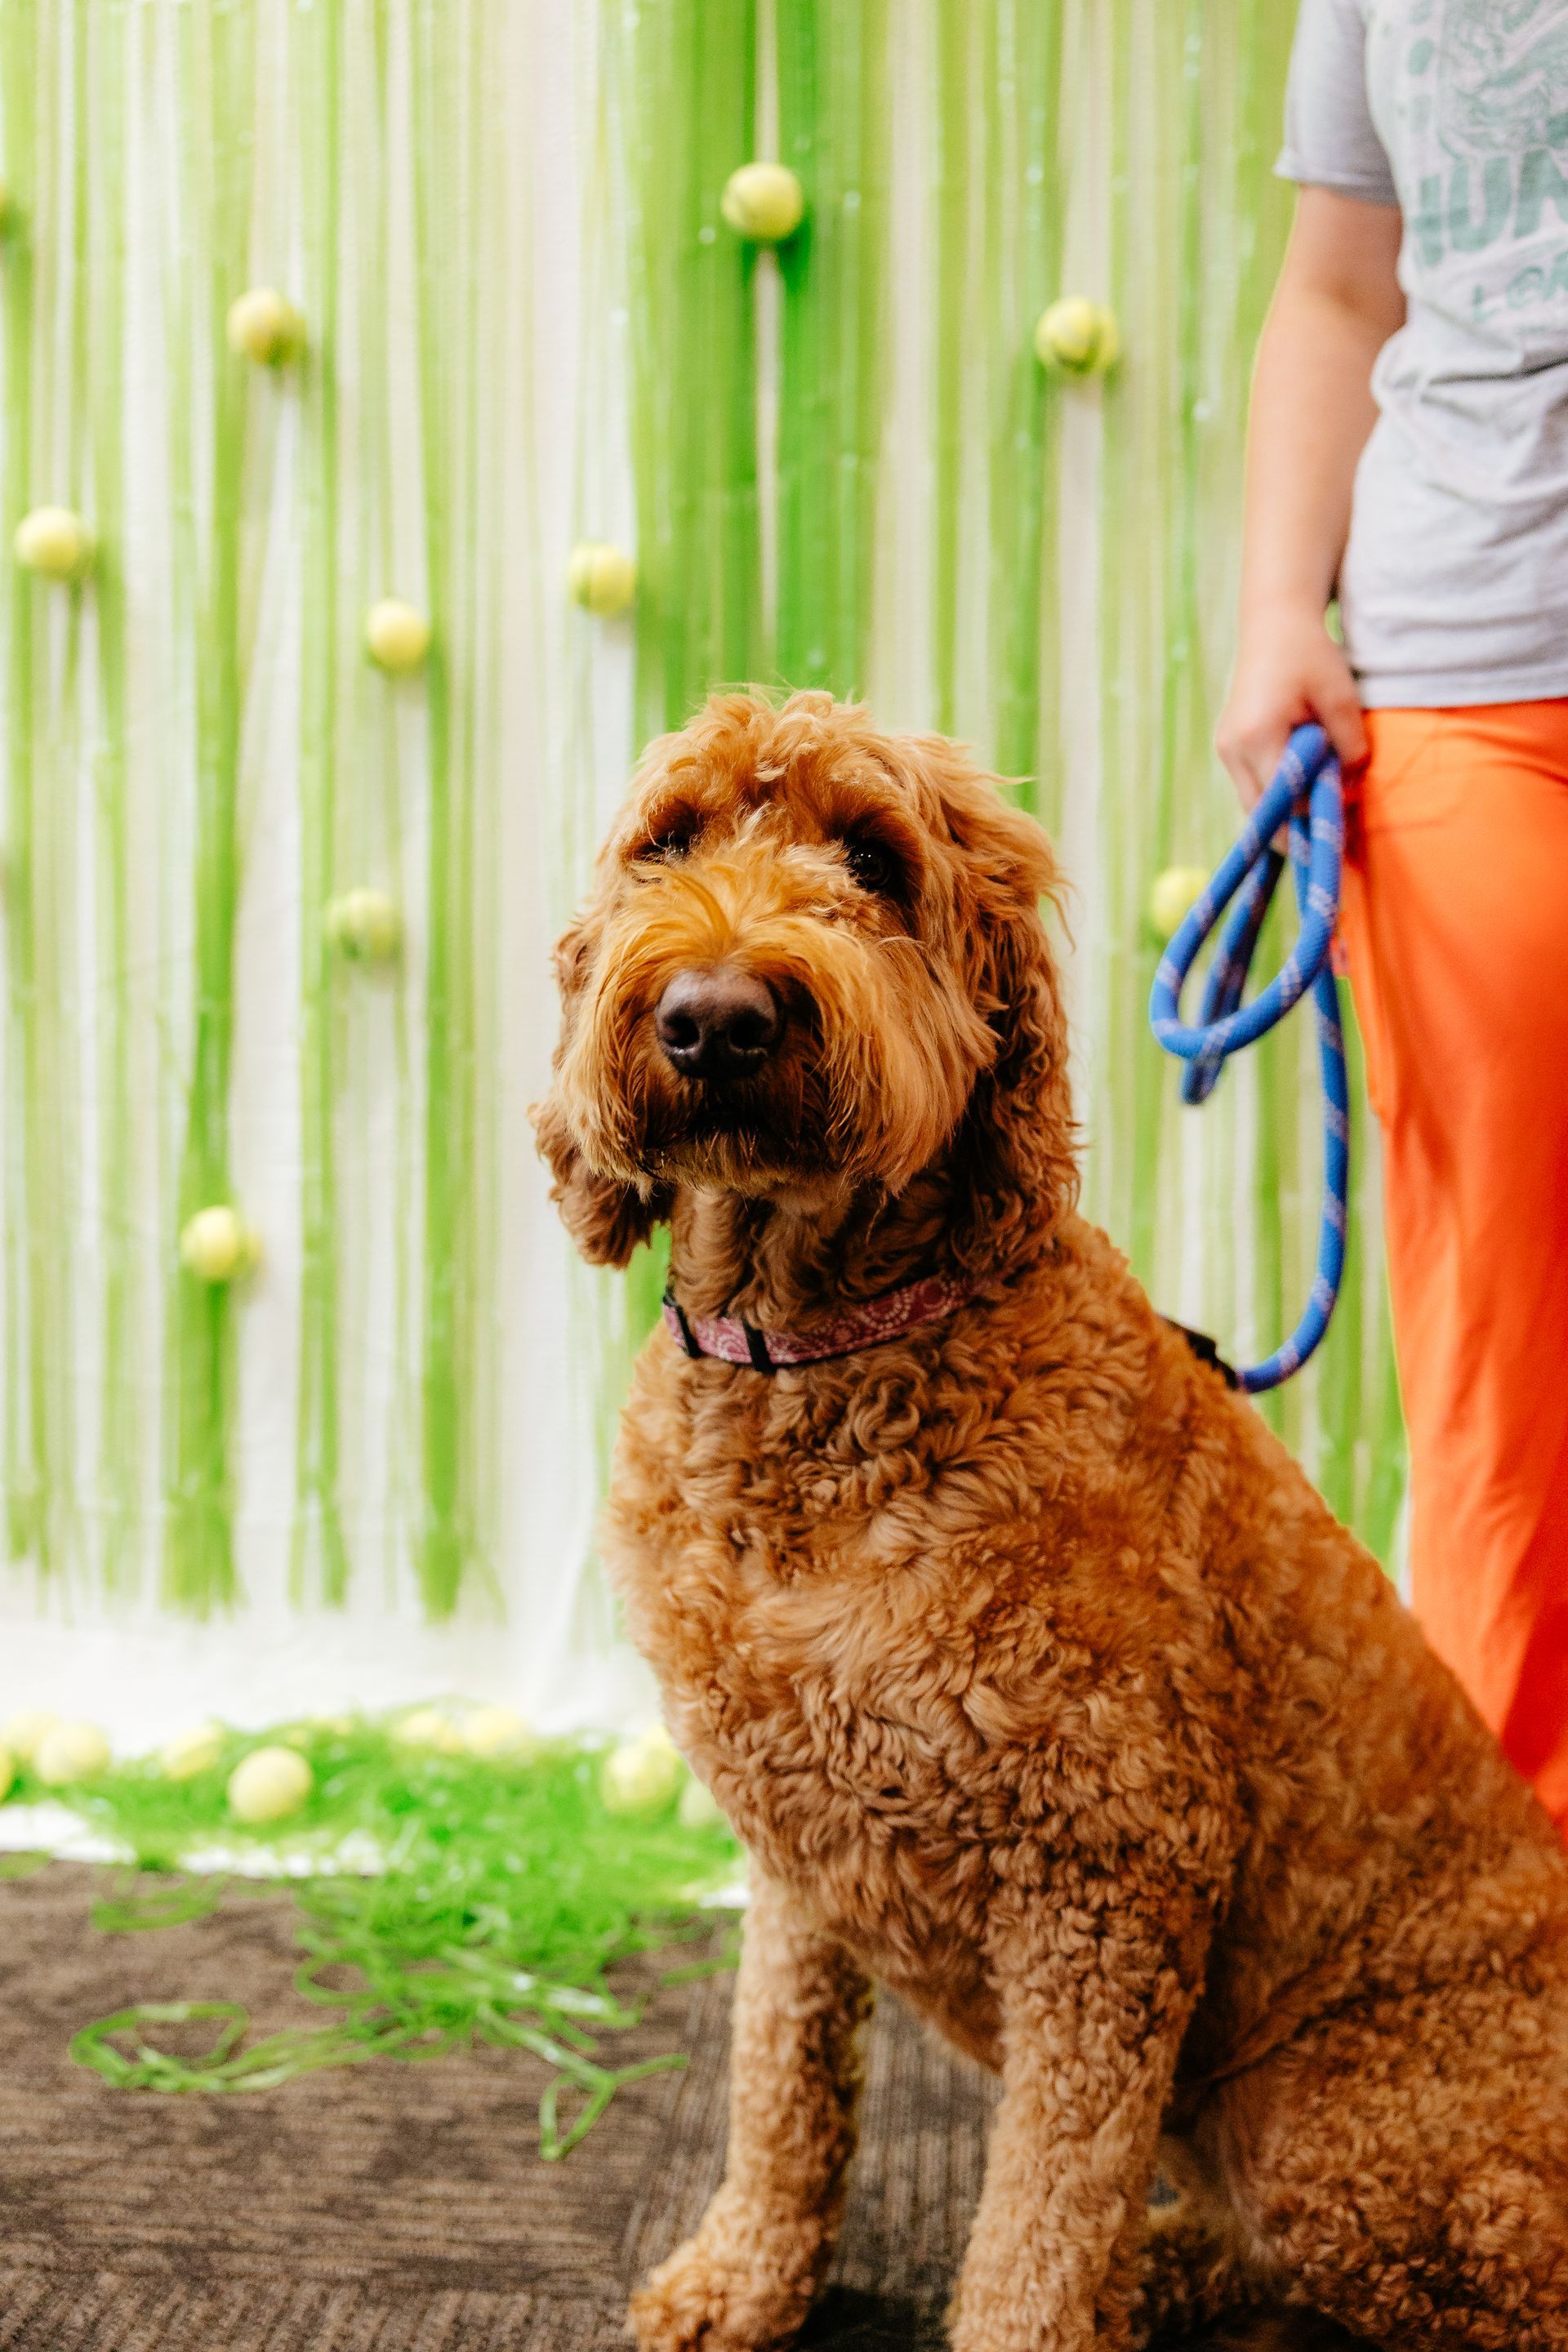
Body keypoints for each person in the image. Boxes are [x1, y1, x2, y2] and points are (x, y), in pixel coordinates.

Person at [1217, 0, 1568, 1833]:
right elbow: (1341, 284)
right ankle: (1524, 1964)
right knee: (1501, 1389)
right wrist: (1282, 602)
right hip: (1468, 684)